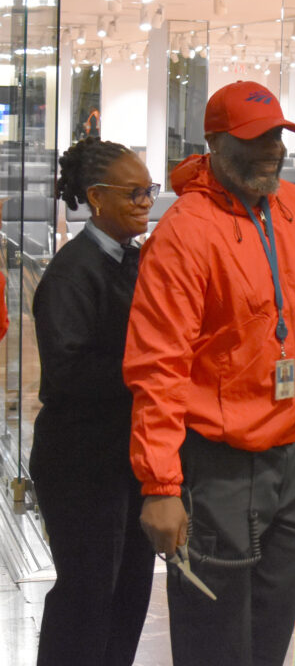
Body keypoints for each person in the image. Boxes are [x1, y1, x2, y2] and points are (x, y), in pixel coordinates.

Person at [123, 80, 295, 666]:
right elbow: (158, 366)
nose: (271, 151)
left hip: (291, 458)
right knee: (213, 631)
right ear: (214, 143)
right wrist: (161, 485)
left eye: (278, 137)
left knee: (277, 614)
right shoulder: (184, 231)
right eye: (255, 139)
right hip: (215, 466)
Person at [30, 137, 158, 665]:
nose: (147, 202)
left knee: (129, 596)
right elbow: (68, 373)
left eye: (151, 191)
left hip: (124, 458)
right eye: (135, 193)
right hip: (80, 463)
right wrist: (153, 369)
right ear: (97, 198)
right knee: (85, 599)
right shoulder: (72, 272)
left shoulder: (132, 261)